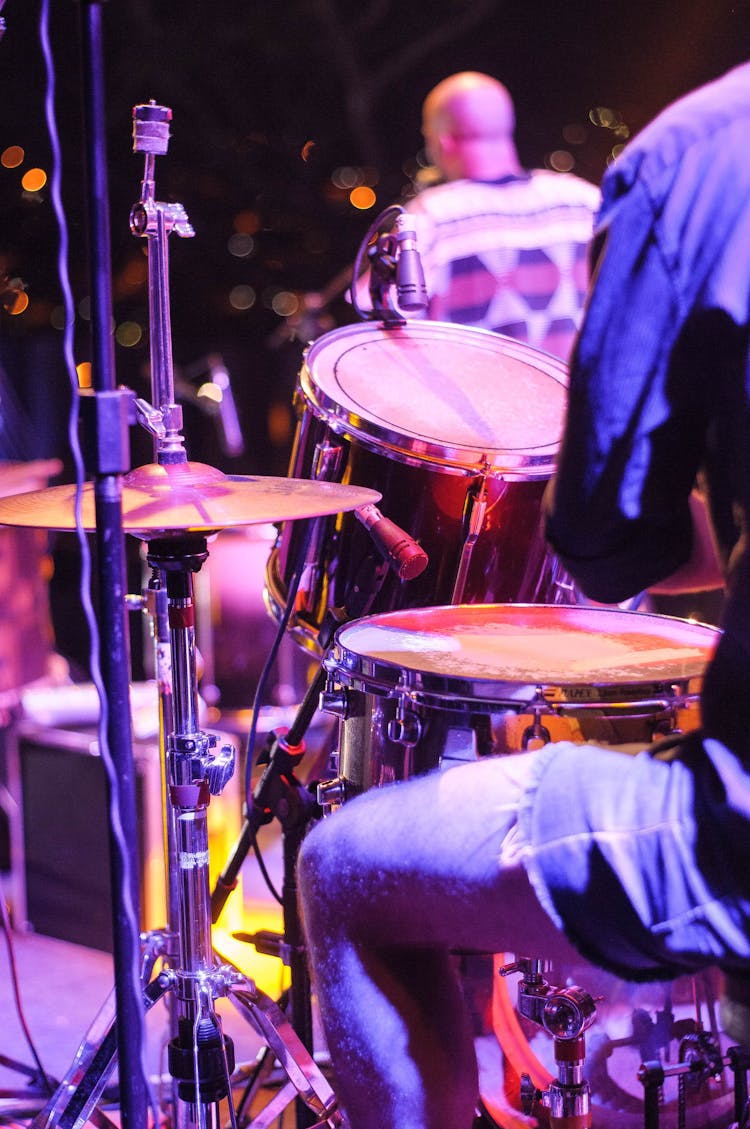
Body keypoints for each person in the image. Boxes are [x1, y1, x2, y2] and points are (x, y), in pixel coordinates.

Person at [297, 61, 750, 1129]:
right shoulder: (581, 197)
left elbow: (606, 539)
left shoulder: (695, 156)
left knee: (347, 864)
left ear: (442, 141)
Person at [378, 70, 600, 361]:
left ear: (442, 142)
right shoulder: (584, 201)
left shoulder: (431, 218)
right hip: (586, 404)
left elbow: (390, 334)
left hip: (480, 405)